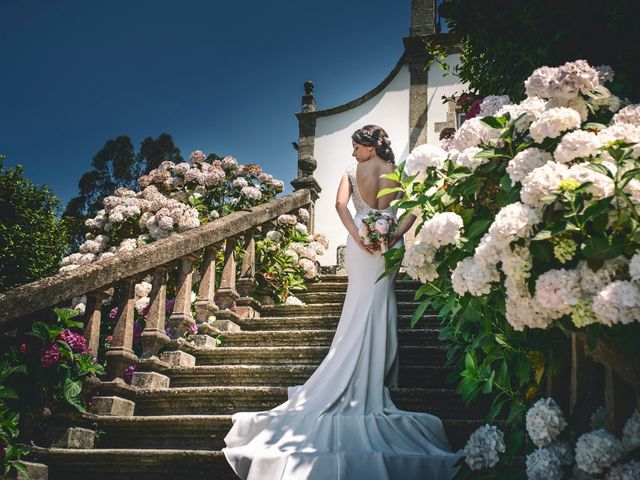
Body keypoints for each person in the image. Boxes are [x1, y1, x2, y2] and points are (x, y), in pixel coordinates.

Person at [223, 125, 460, 479]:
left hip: (361, 244)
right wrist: (393, 234)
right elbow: (415, 209)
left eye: (356, 147)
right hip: (387, 245)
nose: (352, 154)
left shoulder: (352, 173)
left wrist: (359, 235)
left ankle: (355, 365)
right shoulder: (397, 172)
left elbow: (338, 205)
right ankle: (379, 370)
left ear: (369, 147)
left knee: (359, 304)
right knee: (381, 304)